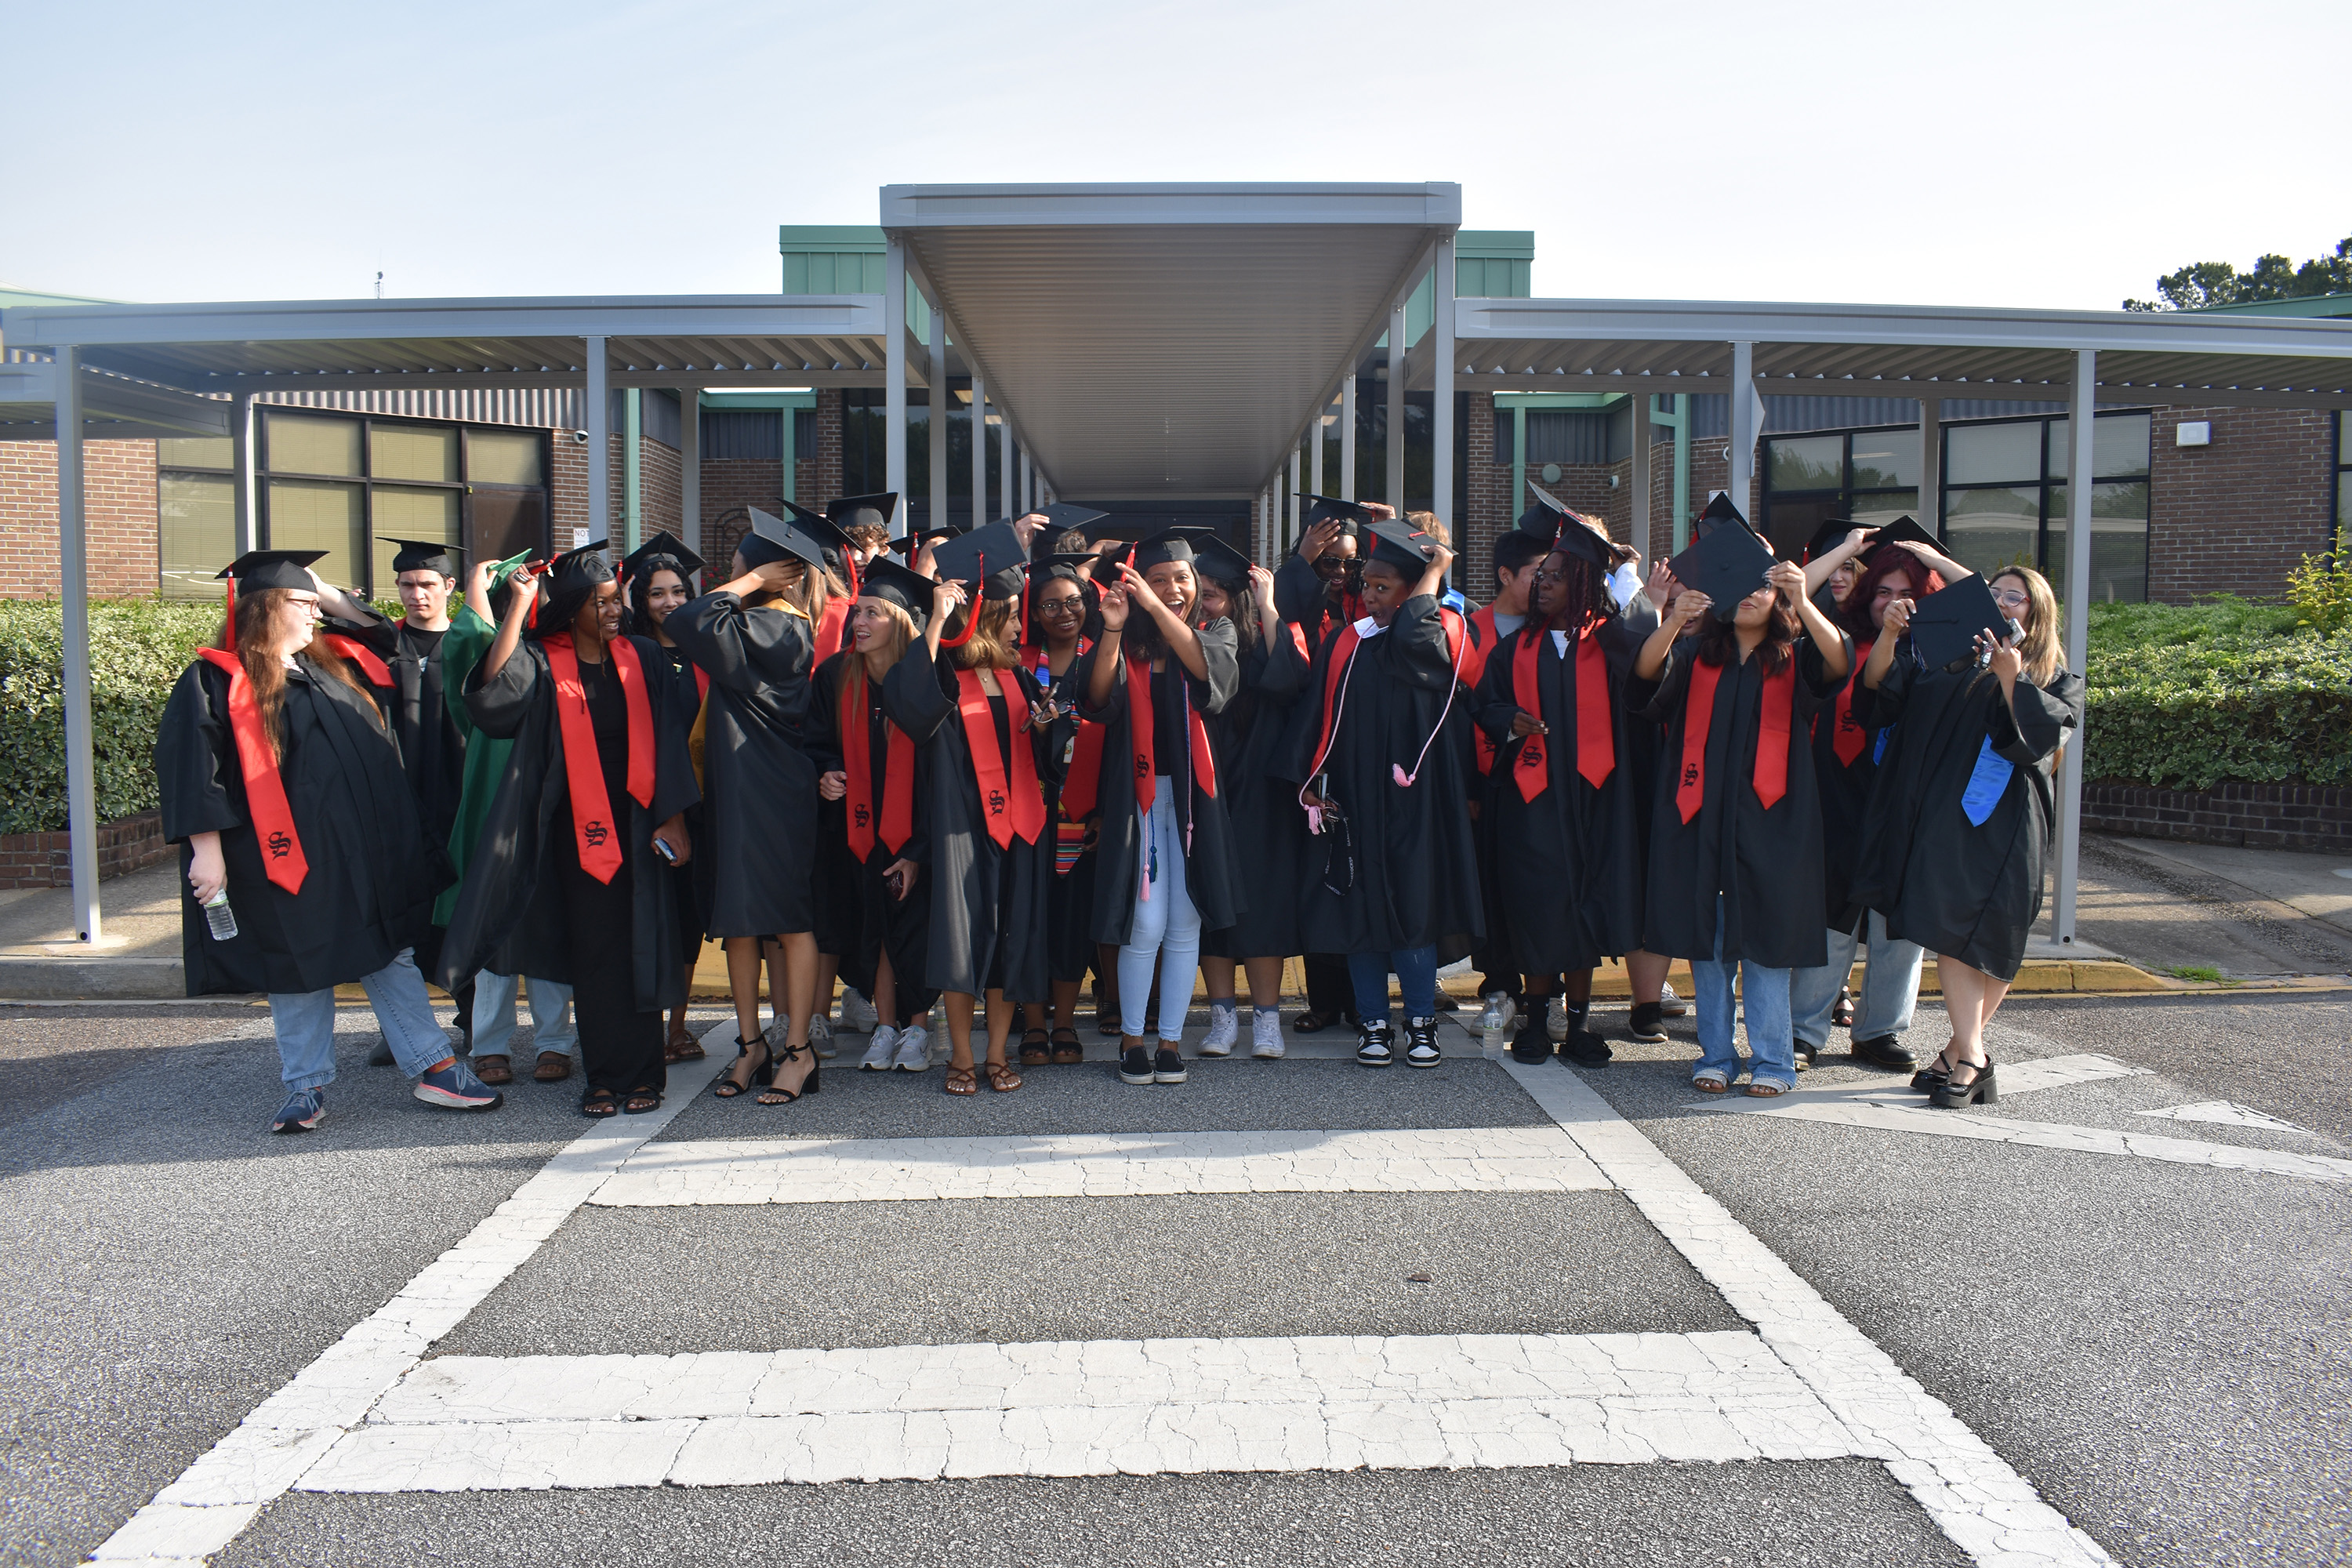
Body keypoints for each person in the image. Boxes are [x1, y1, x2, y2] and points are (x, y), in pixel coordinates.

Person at [158, 550, 501, 1132]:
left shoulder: (337, 665)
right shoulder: (216, 679)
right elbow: (195, 769)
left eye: (317, 605)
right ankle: (305, 1087)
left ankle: (434, 1066)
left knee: (388, 949)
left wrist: (321, 586)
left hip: (363, 851)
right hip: (280, 854)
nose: (317, 615)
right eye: (303, 604)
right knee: (297, 963)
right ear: (266, 609)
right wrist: (206, 851)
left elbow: (376, 630)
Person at [437, 541, 699, 1116]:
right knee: (596, 954)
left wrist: (675, 817)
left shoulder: (644, 658)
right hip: (574, 831)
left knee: (642, 947)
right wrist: (517, 605)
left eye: (617, 600)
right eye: (601, 603)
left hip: (640, 826)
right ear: (572, 606)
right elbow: (491, 698)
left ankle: (644, 1074)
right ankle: (603, 1077)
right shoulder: (541, 659)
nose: (614, 611)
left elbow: (670, 739)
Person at [1628, 517, 1853, 1097]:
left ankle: (1775, 1062)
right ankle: (1717, 1056)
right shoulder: (1699, 656)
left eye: (1764, 586)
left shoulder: (1794, 658)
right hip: (1699, 822)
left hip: (1775, 826)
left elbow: (1840, 662)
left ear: (1777, 595)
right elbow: (1645, 676)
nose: (1753, 595)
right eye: (1743, 587)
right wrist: (1673, 621)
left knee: (1767, 949)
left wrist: (1805, 598)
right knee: (1708, 947)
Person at [1852, 565, 2084, 1109]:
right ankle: (1972, 1057)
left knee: (1998, 936)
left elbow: (2042, 741)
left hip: (2008, 822)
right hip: (1946, 820)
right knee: (1951, 928)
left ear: (2036, 613)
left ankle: (1959, 1051)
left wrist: (2011, 676)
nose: (2004, 603)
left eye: (2016, 598)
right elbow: (1881, 698)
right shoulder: (1945, 657)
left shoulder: (2054, 677)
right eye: (1995, 594)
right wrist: (1890, 635)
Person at [1288, 515, 1482, 1069]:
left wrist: (1435, 573)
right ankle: (1373, 1022)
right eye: (1365, 583)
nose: (1366, 594)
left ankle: (1420, 1021)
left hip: (1414, 806)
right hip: (1353, 798)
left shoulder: (1441, 630)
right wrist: (1313, 785)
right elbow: (1315, 720)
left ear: (1414, 587)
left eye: (1381, 586)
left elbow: (1415, 637)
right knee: (1360, 913)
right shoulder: (1350, 641)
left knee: (1412, 911)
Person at [883, 521, 1058, 1095]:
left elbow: (1048, 760)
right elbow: (909, 704)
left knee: (1009, 944)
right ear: (982, 617)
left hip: (1021, 833)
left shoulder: (1019, 679)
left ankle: (997, 1053)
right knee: (961, 946)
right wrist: (933, 619)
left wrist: (1050, 728)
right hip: (961, 834)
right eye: (1008, 614)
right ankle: (960, 1055)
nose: (1018, 624)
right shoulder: (943, 675)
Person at [665, 508, 829, 1106]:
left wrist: (749, 583)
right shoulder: (755, 622)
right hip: (736, 791)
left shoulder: (783, 627)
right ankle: (751, 1044)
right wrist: (750, 585)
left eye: (736, 562)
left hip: (775, 793)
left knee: (789, 922)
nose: (725, 571)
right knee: (737, 923)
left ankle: (798, 1050)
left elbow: (689, 617)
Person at [1476, 516, 1647, 1070]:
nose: (1541, 585)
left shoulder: (1612, 642)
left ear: (1582, 584)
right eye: (1539, 576)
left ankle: (1579, 1025)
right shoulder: (1512, 650)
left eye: (1554, 577)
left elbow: (1651, 673)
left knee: (1585, 909)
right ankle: (1535, 1021)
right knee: (1539, 907)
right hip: (1532, 804)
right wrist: (1510, 721)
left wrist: (1629, 575)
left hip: (1600, 802)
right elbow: (1484, 707)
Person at [1080, 529, 1242, 1087]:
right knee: (1145, 922)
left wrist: (1153, 606)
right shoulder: (1129, 643)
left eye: (1181, 579)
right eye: (1158, 580)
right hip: (1139, 798)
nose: (1172, 589)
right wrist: (1115, 628)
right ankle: (1131, 1039)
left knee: (1184, 920)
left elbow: (1207, 674)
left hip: (1196, 800)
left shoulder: (1216, 631)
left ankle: (1169, 1041)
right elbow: (1097, 697)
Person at [1788, 532, 1955, 1072]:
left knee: (1897, 927)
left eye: (1906, 591)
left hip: (1906, 802)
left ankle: (1879, 1030)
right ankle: (1805, 1030)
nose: (1891, 601)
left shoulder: (1940, 653)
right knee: (1831, 920)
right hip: (1836, 792)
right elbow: (1791, 596)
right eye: (1881, 590)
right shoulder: (1836, 638)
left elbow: (1977, 600)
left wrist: (1932, 559)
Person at [808, 555, 940, 1076]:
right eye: (856, 613)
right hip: (858, 827)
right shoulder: (836, 674)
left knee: (917, 928)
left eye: (872, 614)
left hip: (916, 824)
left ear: (901, 622)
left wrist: (917, 848)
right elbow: (815, 741)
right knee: (877, 927)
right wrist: (825, 771)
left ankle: (920, 1027)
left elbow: (939, 772)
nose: (859, 623)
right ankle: (887, 1026)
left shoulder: (922, 680)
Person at [1191, 542, 1305, 1061]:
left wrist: (1268, 604)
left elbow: (1291, 679)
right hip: (1210, 787)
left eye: (1213, 596)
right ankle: (1220, 1018)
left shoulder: (1263, 637)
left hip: (1261, 791)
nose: (1205, 604)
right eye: (1202, 595)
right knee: (1213, 905)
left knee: (1263, 907)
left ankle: (1265, 1021)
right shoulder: (1195, 641)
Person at [1274, 495, 1377, 1035]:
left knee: (1357, 880)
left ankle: (1364, 1001)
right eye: (1327, 563)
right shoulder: (1303, 608)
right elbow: (1283, 609)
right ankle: (1324, 1001)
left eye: (1349, 563)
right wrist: (1300, 563)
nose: (1340, 573)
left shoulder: (1368, 609)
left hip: (1362, 758)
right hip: (1310, 757)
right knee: (1317, 880)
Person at [622, 530, 712, 1065]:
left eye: (678, 590)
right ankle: (642, 1027)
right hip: (644, 804)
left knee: (686, 921)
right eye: (657, 593)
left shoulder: (706, 651)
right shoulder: (631, 653)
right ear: (641, 600)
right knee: (647, 919)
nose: (670, 601)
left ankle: (677, 1028)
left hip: (701, 805)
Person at [1020, 555, 1105, 1065]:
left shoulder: (1101, 658)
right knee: (1031, 917)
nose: (1064, 612)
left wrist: (1101, 811)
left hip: (1081, 809)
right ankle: (1033, 1024)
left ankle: (1067, 1022)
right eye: (1050, 604)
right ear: (1035, 612)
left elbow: (1115, 740)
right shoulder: (1019, 662)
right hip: (1026, 810)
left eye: (1073, 601)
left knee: (1071, 920)